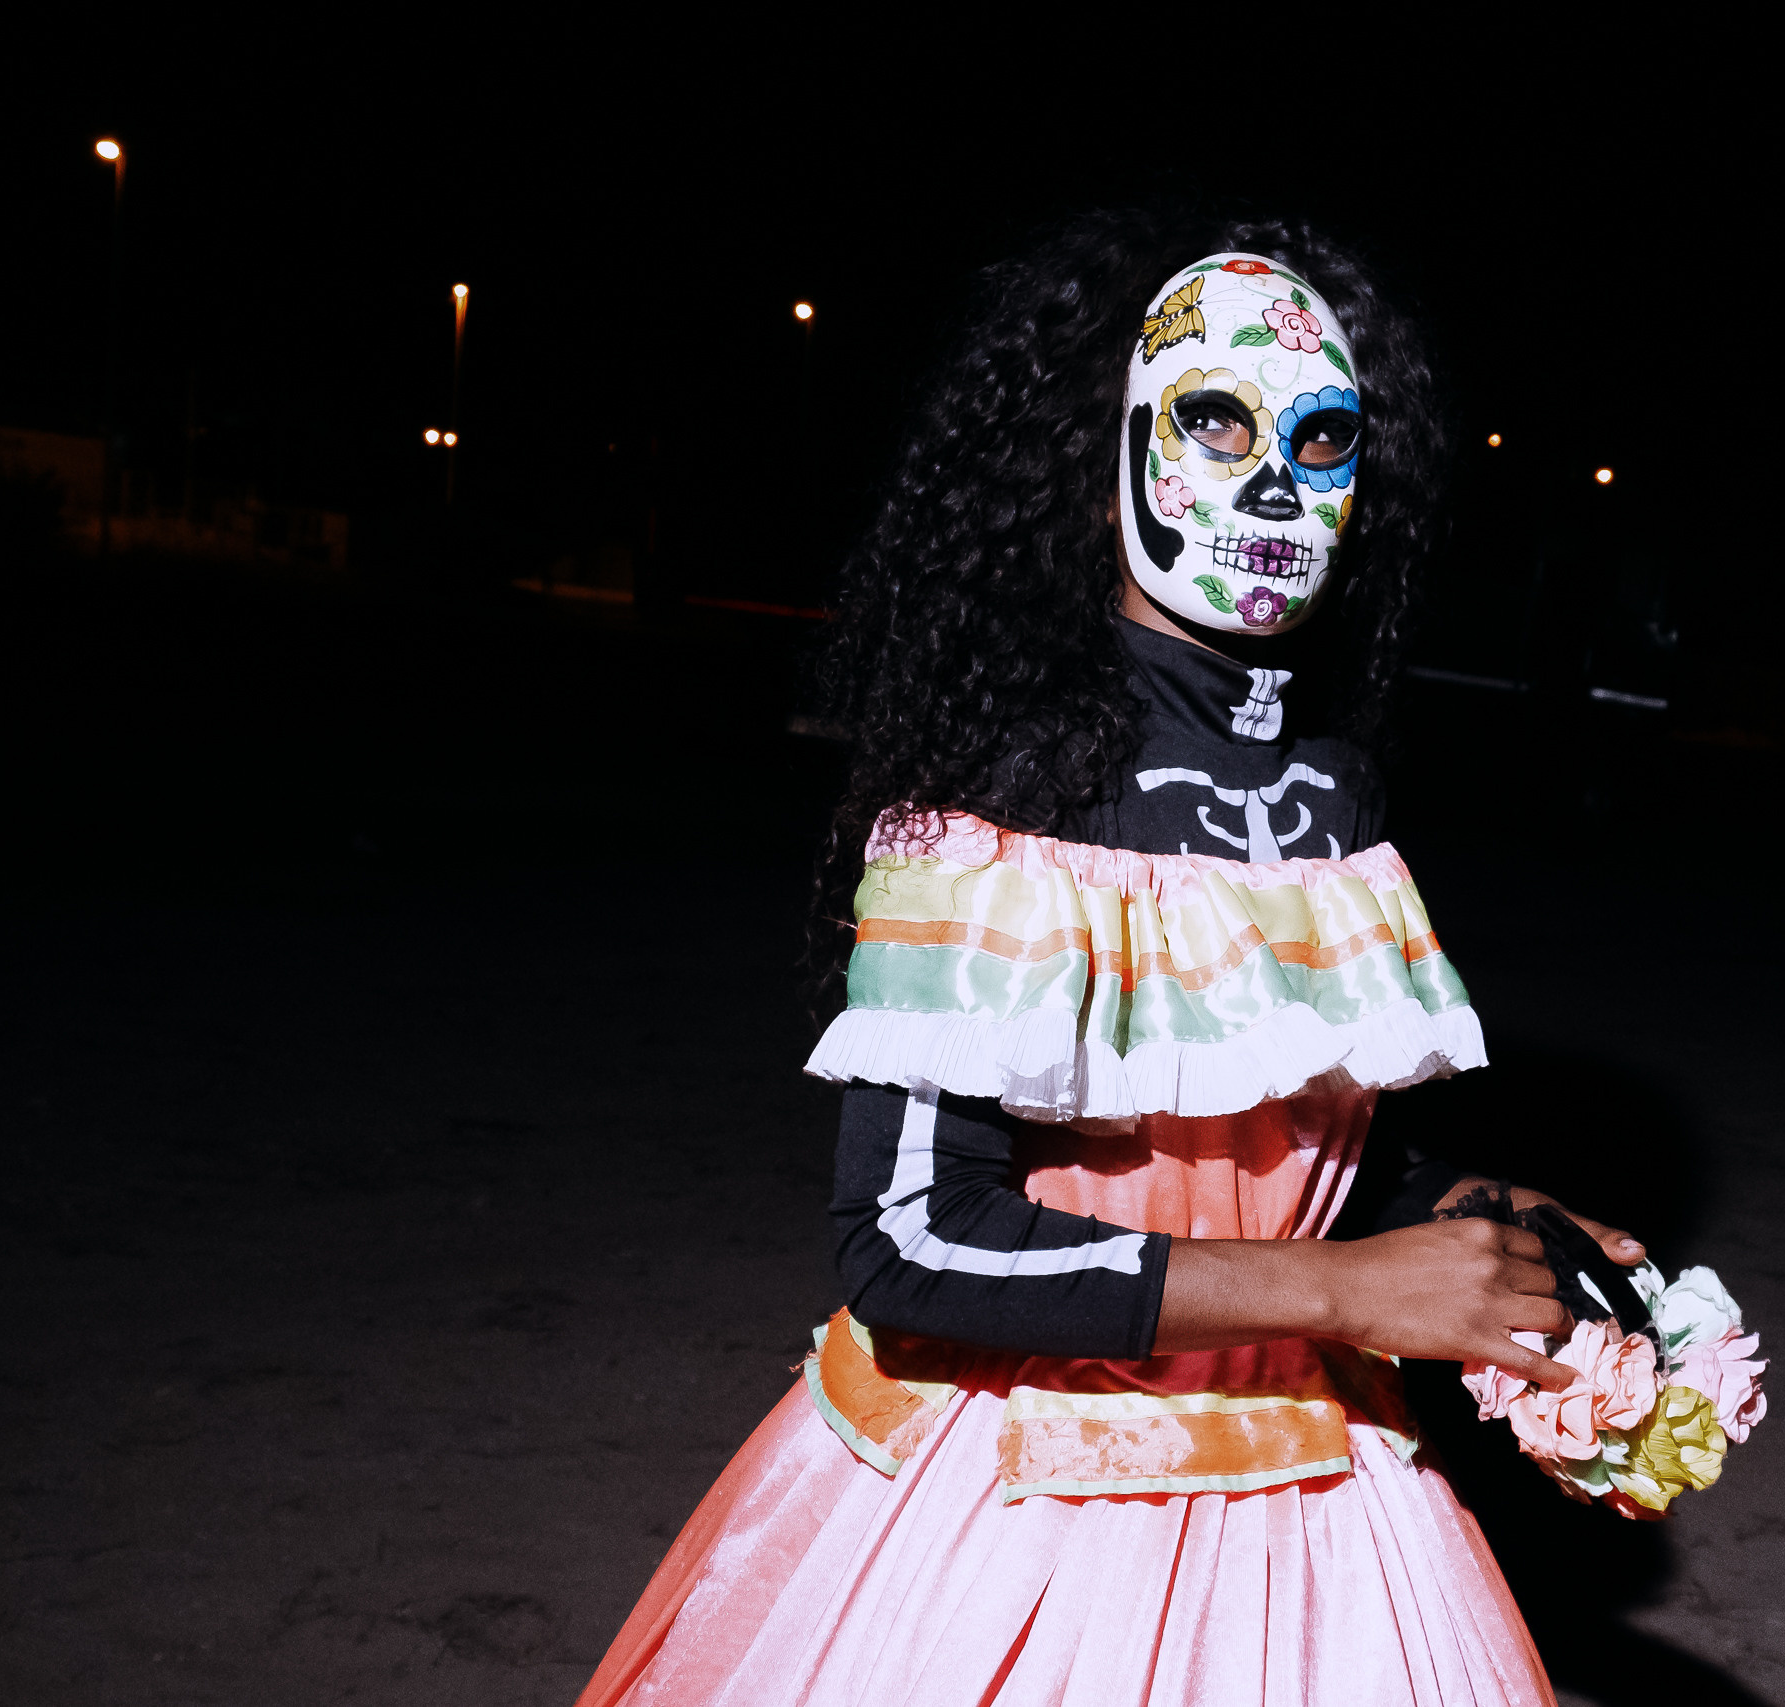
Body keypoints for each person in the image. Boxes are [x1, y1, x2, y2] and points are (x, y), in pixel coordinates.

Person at [574, 211, 1646, 1707]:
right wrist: (1346, 1296)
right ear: (1109, 458)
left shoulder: (1335, 795)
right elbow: (909, 1241)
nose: (1274, 481)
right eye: (1217, 420)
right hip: (1016, 1503)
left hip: (1311, 1483)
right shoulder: (1005, 787)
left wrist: (1477, 1219)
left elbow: (1303, 1153)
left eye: (1325, 439)